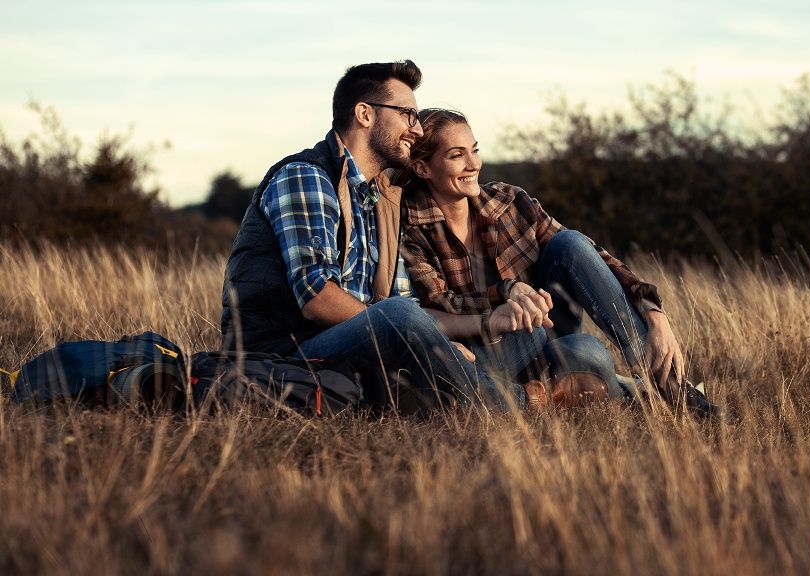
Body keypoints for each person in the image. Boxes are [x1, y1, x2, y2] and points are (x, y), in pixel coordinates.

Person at [219, 61, 601, 413]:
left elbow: (407, 307)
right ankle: (522, 402)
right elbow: (316, 298)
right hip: (288, 353)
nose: (416, 130)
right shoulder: (307, 176)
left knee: (529, 333)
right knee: (399, 316)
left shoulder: (380, 198)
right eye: (407, 114)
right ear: (365, 114)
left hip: (365, 348)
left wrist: (484, 324)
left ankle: (452, 394)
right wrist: (407, 332)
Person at [400, 108, 720, 418]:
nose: (473, 164)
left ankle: (670, 384)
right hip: (488, 352)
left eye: (475, 150)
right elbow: (438, 303)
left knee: (570, 244)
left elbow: (592, 257)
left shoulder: (509, 201)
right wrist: (507, 291)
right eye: (456, 155)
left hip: (542, 330)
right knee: (587, 351)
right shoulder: (410, 228)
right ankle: (559, 393)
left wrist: (653, 312)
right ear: (423, 168)